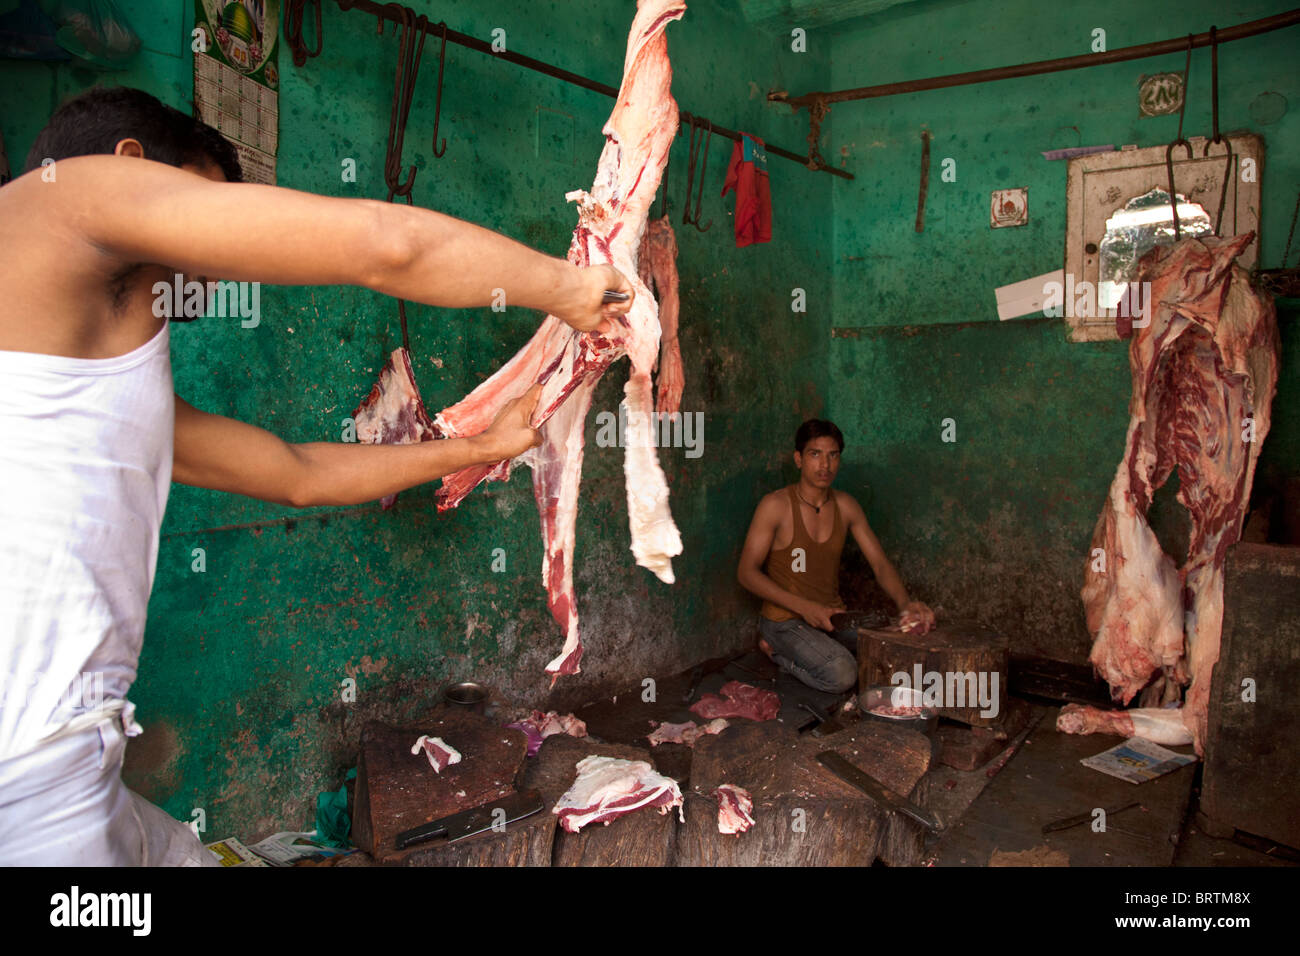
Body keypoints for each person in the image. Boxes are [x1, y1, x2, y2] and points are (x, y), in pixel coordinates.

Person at [0, 86, 635, 865]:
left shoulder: (69, 375)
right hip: (31, 787)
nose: (210, 256)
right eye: (202, 199)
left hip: (66, 773)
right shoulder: (64, 198)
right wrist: (570, 289)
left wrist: (474, 450)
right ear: (129, 166)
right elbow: (383, 245)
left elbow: (297, 474)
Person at [736, 419, 935, 694]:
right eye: (815, 454)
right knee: (843, 674)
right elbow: (746, 572)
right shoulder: (776, 505)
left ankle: (825, 648)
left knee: (893, 650)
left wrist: (905, 604)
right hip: (784, 621)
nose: (825, 465)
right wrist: (806, 608)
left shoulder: (846, 506)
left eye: (833, 456)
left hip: (834, 617)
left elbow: (879, 564)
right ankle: (774, 652)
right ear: (798, 459)